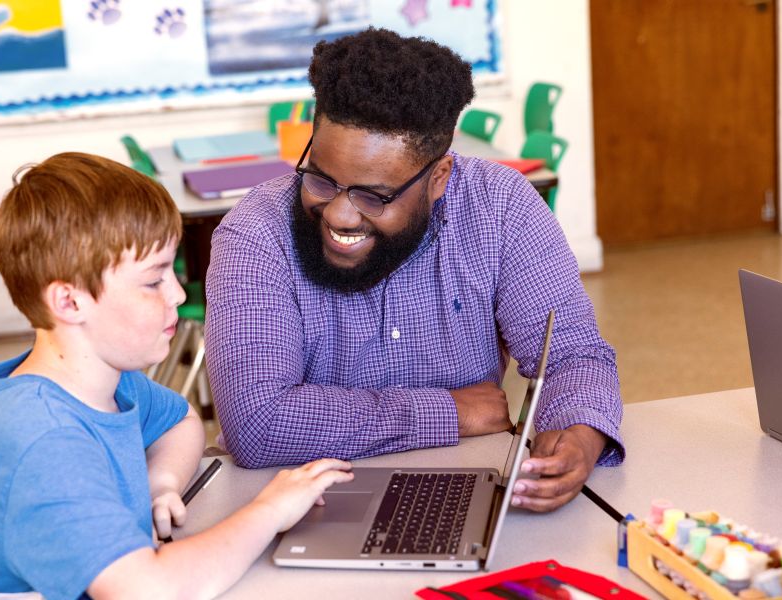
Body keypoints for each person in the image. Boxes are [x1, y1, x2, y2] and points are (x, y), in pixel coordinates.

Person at [205, 28, 624, 513]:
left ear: (439, 178)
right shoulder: (256, 233)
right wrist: (450, 411)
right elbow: (259, 422)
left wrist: (579, 434)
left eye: (374, 196)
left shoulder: (501, 207)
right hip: (290, 505)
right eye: (320, 179)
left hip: (461, 488)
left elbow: (574, 355)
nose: (339, 215)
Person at [0, 152, 353, 599]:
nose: (176, 293)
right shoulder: (45, 440)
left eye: (172, 272)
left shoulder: (106, 381)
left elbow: (180, 421)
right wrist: (271, 510)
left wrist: (162, 483)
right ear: (70, 302)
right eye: (154, 281)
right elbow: (147, 590)